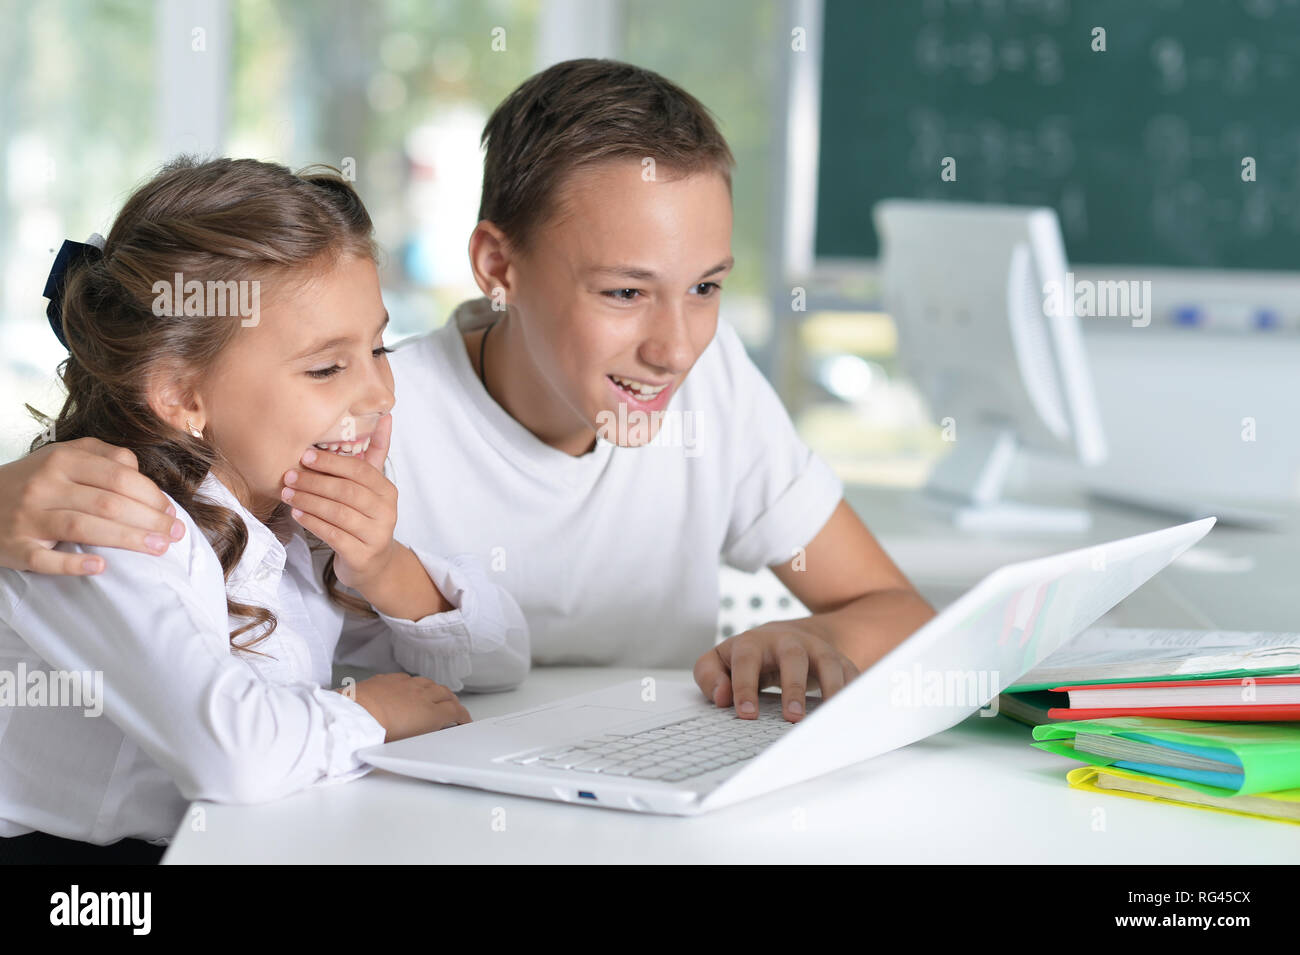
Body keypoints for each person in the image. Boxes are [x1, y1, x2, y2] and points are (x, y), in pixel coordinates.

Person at [0, 59, 933, 727]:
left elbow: (896, 609)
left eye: (707, 285)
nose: (676, 345)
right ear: (498, 264)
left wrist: (812, 639)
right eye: (622, 291)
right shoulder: (354, 418)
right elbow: (180, 571)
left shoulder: (717, 389)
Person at [0, 157, 528, 864]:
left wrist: (383, 565)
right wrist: (367, 714)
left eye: (378, 346)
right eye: (326, 367)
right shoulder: (112, 523)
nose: (379, 393)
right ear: (182, 397)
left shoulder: (279, 510)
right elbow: (232, 754)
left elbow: (502, 659)